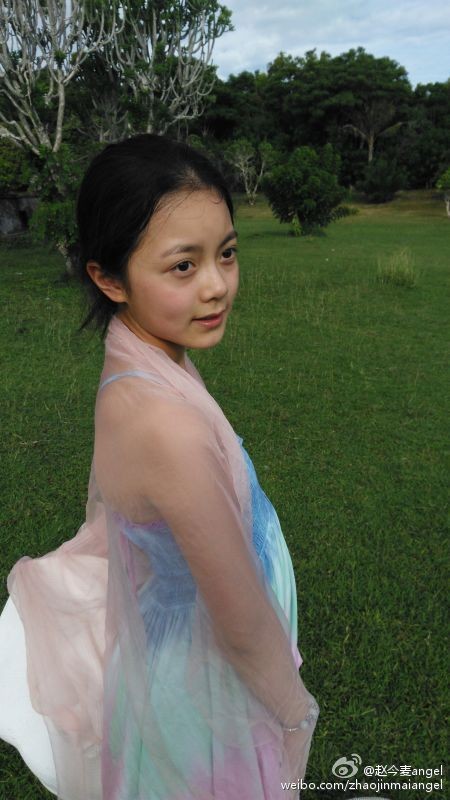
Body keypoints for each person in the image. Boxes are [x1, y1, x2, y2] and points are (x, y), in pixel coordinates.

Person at [1, 134, 319, 799]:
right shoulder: (164, 424)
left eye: (226, 253)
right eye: (183, 265)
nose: (217, 286)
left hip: (184, 665)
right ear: (109, 278)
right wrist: (295, 714)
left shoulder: (142, 357)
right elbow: (241, 625)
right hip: (206, 697)